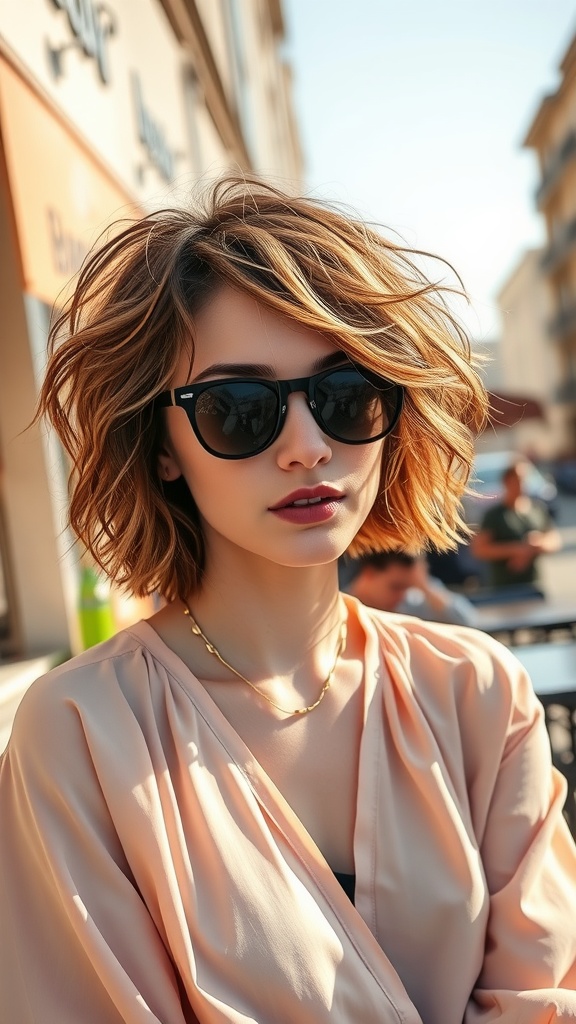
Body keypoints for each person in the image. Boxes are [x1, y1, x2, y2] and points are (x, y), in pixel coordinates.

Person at [0, 176, 575, 1024]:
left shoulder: (477, 692)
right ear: (162, 446)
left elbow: (544, 994)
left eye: (344, 399)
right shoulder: (82, 733)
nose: (307, 448)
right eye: (239, 409)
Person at [471, 459, 562, 596]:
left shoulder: (537, 509)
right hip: (503, 588)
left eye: (525, 480)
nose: (522, 484)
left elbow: (554, 540)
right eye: (518, 480)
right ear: (507, 482)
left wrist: (536, 545)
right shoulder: (495, 515)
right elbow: (479, 549)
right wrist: (516, 550)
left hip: (533, 584)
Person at [344, 550, 478, 625]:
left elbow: (469, 622)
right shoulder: (339, 607)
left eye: (408, 587)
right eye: (396, 586)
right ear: (369, 573)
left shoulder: (411, 601)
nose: (402, 595)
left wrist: (426, 587)